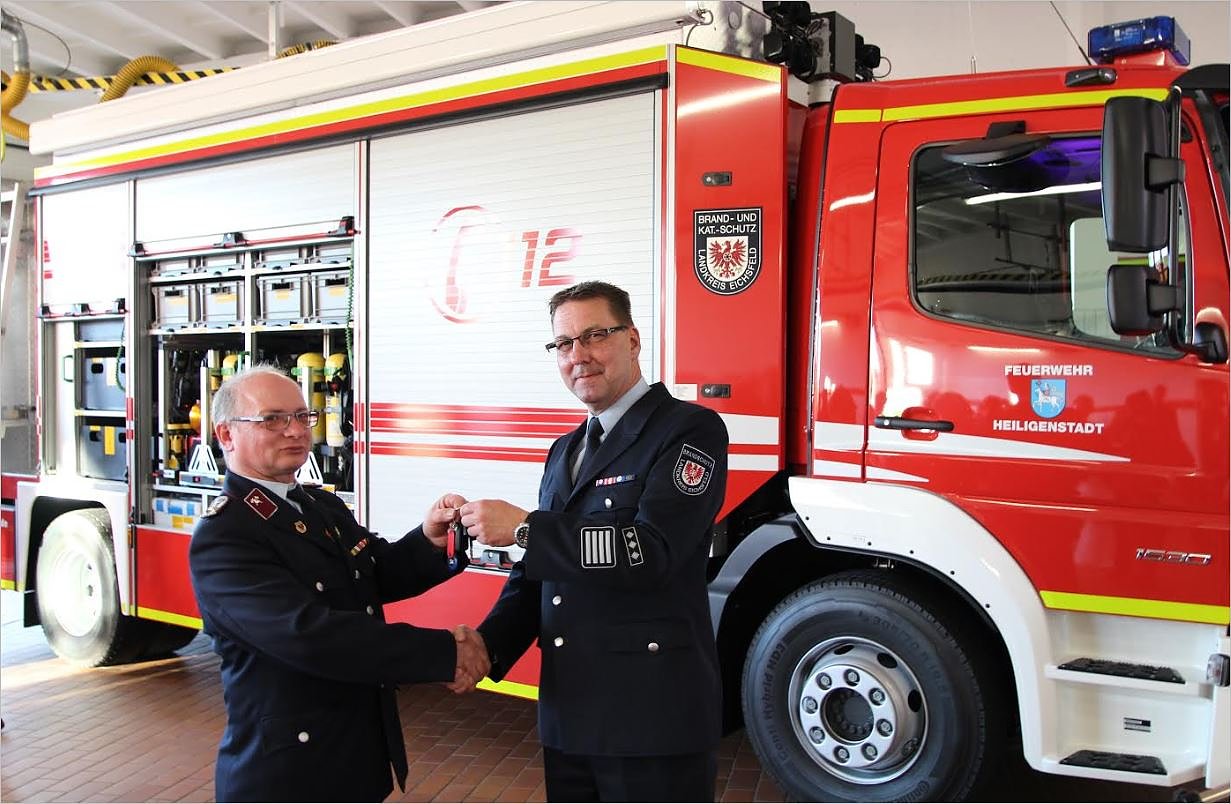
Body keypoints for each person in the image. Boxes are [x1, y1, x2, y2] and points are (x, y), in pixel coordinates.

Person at [454, 281, 729, 802]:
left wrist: (527, 528)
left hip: (650, 722)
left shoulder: (689, 430)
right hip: (571, 716)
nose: (578, 355)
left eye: (595, 335)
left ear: (633, 340)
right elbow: (539, 571)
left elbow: (650, 551)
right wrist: (487, 647)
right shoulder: (564, 450)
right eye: (563, 343)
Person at [189, 365, 489, 803]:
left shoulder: (319, 505)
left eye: (301, 416)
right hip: (289, 777)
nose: (295, 430)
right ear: (226, 434)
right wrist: (445, 652)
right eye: (272, 419)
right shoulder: (225, 535)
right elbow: (308, 635)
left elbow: (373, 573)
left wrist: (429, 539)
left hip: (352, 759)